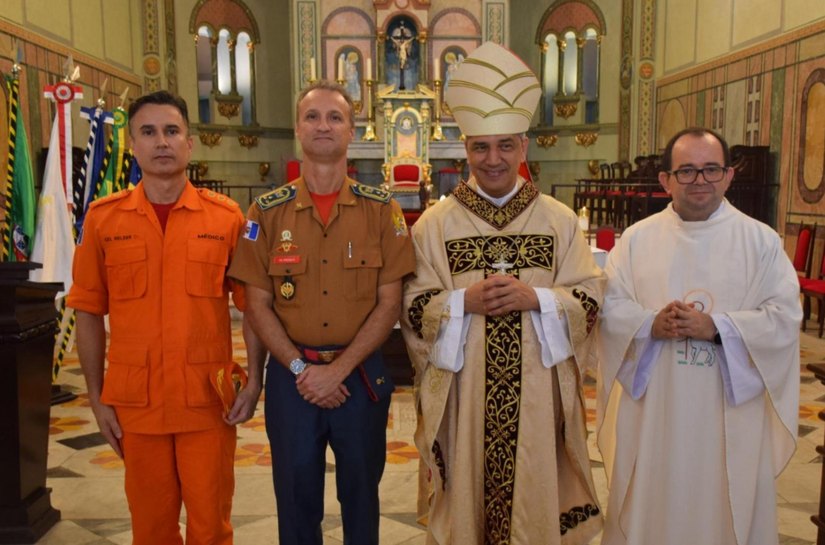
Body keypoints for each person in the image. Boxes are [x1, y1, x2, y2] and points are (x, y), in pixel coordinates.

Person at [400, 42, 605, 545]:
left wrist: (537, 298)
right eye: (480, 147)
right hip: (465, 397)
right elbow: (412, 306)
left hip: (538, 397)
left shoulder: (558, 221)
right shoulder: (434, 224)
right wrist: (461, 302)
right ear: (464, 149)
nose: (493, 159)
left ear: (524, 147)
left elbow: (591, 297)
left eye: (505, 145)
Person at [68, 90, 265, 544]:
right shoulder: (103, 220)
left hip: (207, 402)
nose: (162, 142)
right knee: (151, 529)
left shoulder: (225, 218)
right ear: (132, 144)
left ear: (189, 143)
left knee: (210, 527)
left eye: (172, 131)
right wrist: (97, 398)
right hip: (136, 405)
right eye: (149, 132)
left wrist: (254, 380)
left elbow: (252, 306)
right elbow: (88, 312)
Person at [227, 80, 416, 545]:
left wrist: (338, 371)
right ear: (297, 129)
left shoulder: (382, 211)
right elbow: (256, 303)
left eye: (335, 117)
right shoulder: (265, 213)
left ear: (352, 131)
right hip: (293, 382)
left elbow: (389, 303)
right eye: (313, 116)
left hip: (361, 379)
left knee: (361, 496)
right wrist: (298, 368)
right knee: (294, 499)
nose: (323, 125)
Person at [597, 127, 801, 545]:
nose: (700, 180)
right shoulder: (636, 241)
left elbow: (784, 318)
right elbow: (608, 309)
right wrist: (650, 324)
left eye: (711, 169)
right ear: (665, 180)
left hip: (728, 412)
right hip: (656, 410)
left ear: (728, 175)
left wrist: (719, 328)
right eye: (686, 171)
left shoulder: (760, 241)